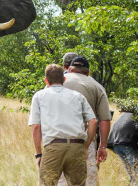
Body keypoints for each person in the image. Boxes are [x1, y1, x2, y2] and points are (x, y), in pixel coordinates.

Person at [29, 64, 97, 186]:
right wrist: (85, 146)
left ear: (46, 80)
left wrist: (39, 153)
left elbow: (36, 127)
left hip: (53, 147)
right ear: (64, 79)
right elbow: (93, 121)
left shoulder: (39, 96)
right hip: (77, 147)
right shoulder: (78, 96)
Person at [63, 55, 111, 185]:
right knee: (88, 179)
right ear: (88, 72)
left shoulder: (56, 82)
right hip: (85, 140)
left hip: (57, 138)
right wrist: (102, 146)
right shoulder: (97, 86)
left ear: (69, 69)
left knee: (60, 181)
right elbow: (105, 120)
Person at [107, 112, 138, 185]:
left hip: (115, 143)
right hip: (126, 141)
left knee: (131, 173)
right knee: (136, 172)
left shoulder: (128, 111)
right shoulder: (134, 113)